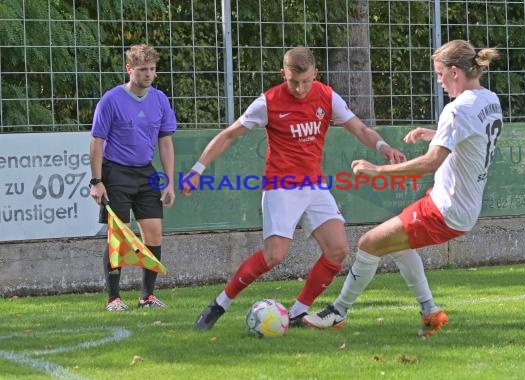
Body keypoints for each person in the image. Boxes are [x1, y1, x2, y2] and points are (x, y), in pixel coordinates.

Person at [180, 46, 406, 330]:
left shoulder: (326, 96)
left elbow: (359, 128)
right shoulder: (269, 101)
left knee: (337, 250)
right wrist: (198, 169)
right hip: (281, 186)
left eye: (306, 81)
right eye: (293, 81)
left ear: (316, 74)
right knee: (274, 256)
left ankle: (298, 312)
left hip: (314, 185)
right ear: (283, 74)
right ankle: (219, 304)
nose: (299, 89)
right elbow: (229, 135)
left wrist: (383, 147)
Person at [303, 39, 503, 337]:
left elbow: (431, 163)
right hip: (457, 205)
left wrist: (378, 169)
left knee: (369, 243)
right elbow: (473, 139)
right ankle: (430, 312)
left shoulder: (457, 109)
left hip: (444, 210)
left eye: (439, 74)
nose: (438, 81)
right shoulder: (489, 99)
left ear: (454, 72)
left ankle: (338, 312)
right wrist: (435, 134)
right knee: (394, 245)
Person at [89, 44, 177, 311]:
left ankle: (147, 297)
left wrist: (169, 180)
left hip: (145, 173)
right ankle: (114, 298)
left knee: (154, 235)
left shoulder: (160, 99)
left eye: (152, 69)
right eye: (142, 69)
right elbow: (97, 142)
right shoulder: (111, 99)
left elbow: (165, 142)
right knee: (118, 236)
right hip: (115, 172)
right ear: (129, 70)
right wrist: (96, 181)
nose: (148, 74)